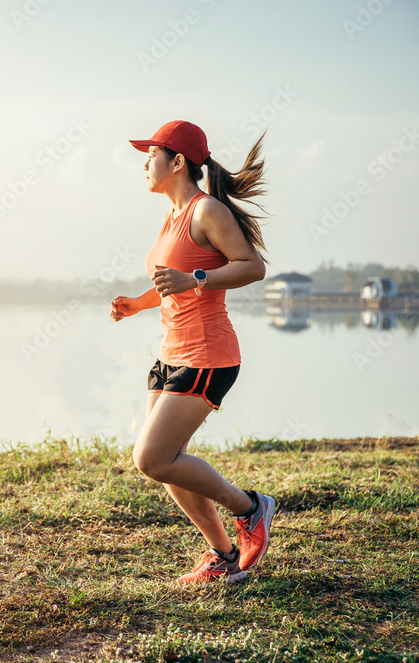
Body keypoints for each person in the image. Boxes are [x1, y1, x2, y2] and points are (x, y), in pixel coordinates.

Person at [110, 120, 275, 585]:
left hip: (208, 356)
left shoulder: (207, 212)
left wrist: (196, 281)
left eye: (152, 154)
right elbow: (171, 283)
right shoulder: (172, 216)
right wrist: (137, 304)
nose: (145, 163)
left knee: (152, 458)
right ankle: (222, 555)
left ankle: (251, 508)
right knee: (168, 466)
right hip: (171, 355)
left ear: (178, 162)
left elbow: (252, 267)